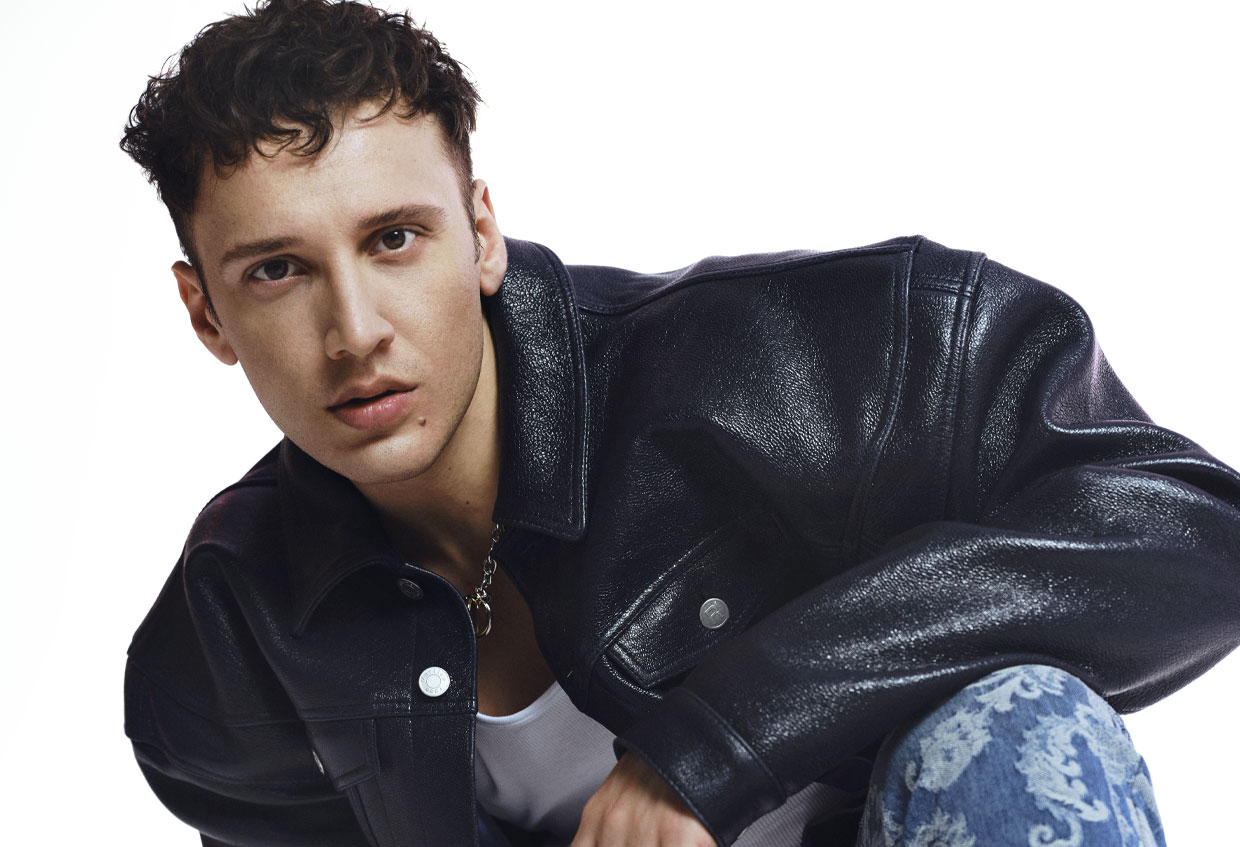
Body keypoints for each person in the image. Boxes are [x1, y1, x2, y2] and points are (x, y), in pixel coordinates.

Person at [119, 1, 1240, 845]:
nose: (355, 331)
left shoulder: (806, 361)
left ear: (481, 233)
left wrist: (711, 750)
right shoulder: (227, 645)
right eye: (277, 270)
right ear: (205, 312)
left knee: (1016, 719)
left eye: (394, 239)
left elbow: (1188, 527)